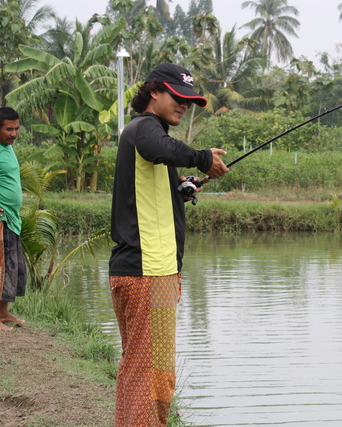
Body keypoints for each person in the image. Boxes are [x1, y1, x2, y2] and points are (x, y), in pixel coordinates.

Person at [109, 62, 229, 426]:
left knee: (139, 371)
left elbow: (159, 168)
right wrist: (203, 158)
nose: (184, 105)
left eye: (189, 101)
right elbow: (160, 147)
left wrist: (183, 185)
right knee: (154, 378)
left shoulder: (151, 142)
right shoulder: (145, 130)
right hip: (150, 274)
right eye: (178, 97)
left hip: (144, 273)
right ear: (155, 91)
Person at [0, 107, 26, 332]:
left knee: (11, 267)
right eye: (9, 129)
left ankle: (3, 312)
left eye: (16, 129)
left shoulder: (7, 148)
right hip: (1, 219)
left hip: (12, 218)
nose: (14, 133)